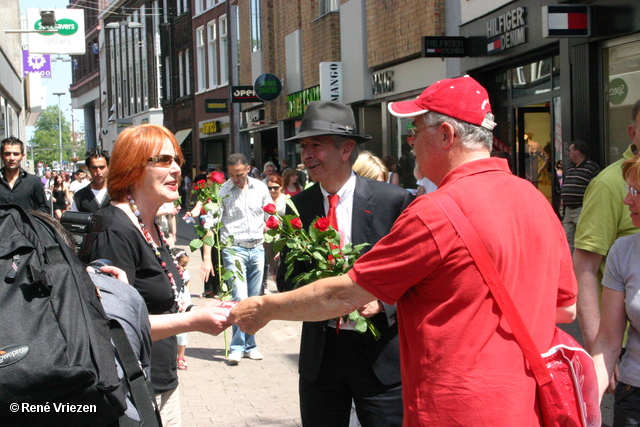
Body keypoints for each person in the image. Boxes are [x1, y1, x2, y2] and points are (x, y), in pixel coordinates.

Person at [231, 76, 577, 426]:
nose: (410, 142)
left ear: (445, 134)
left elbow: (344, 295)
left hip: (455, 406)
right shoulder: (535, 199)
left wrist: (263, 307)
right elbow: (565, 307)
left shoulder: (434, 211)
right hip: (524, 403)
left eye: (415, 129)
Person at [276, 101, 413, 427]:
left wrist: (381, 301)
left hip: (380, 356)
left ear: (346, 149)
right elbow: (286, 279)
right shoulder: (299, 206)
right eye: (304, 146)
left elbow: (414, 274)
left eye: (316, 144)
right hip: (321, 357)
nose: (307, 154)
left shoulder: (392, 201)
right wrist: (319, 294)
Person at [89, 124, 232, 427]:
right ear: (133, 167)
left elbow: (161, 301)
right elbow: (114, 328)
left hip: (161, 379)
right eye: (164, 161)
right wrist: (193, 322)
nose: (177, 170)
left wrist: (204, 309)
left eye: (177, 160)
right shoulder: (114, 229)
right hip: (132, 390)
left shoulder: (150, 224)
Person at [575, 101, 640, 353]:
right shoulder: (609, 184)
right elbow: (584, 267)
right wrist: (596, 345)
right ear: (632, 133)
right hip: (625, 346)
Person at [201, 153, 271, 365]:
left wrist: (272, 234)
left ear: (248, 169)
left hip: (257, 248)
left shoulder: (260, 188)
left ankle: (251, 345)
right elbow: (210, 225)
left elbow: (270, 215)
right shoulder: (223, 191)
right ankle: (237, 347)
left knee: (254, 299)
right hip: (233, 249)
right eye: (232, 175)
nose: (236, 178)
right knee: (239, 297)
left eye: (240, 174)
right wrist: (206, 258)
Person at [591, 154, 640, 426]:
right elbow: (609, 341)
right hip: (634, 397)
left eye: (635, 191)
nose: (626, 200)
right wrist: (588, 403)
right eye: (627, 190)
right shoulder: (623, 251)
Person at [560, 140, 600, 253]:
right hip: (568, 210)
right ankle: (570, 267)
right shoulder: (571, 168)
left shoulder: (591, 167)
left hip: (581, 209)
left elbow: (596, 189)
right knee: (567, 240)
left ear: (577, 152)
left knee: (583, 239)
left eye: (570, 150)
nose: (568, 153)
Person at [0, 136, 49, 214]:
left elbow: (44, 208)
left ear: (22, 156)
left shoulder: (33, 181)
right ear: (1, 155)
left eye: (16, 154)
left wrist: (29, 218)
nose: (12, 158)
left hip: (26, 225)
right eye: (7, 154)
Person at [70, 149, 111, 213]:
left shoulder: (117, 194)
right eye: (94, 168)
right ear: (88, 169)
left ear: (108, 167)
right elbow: (73, 219)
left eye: (102, 167)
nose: (98, 172)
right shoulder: (80, 196)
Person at [171, 248, 192, 371]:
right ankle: (172, 356)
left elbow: (188, 282)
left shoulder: (184, 273)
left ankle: (181, 357)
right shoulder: (170, 274)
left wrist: (186, 293)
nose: (184, 268)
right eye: (182, 264)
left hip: (183, 304)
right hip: (174, 304)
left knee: (182, 333)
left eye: (186, 265)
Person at [264, 175, 287, 284]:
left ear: (281, 186)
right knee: (273, 265)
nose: (272, 190)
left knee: (283, 263)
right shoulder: (265, 199)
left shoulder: (286, 200)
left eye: (276, 187)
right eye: (270, 188)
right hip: (269, 236)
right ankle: (277, 289)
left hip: (283, 235)